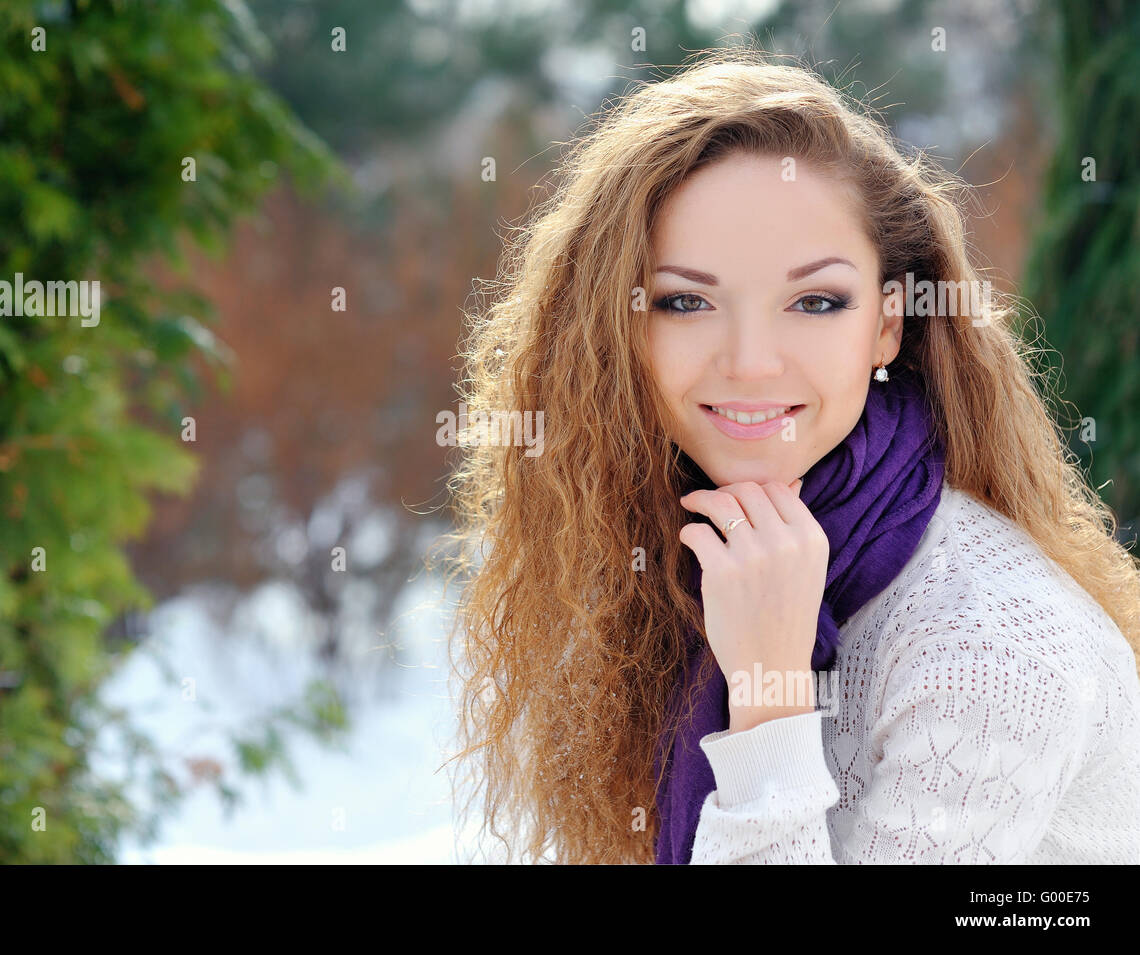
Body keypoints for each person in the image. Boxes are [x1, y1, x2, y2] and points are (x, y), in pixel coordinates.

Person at [438, 48, 1140, 864]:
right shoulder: (679, 560)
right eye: (685, 301)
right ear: (616, 332)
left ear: (887, 323)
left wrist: (768, 696)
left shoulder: (985, 649)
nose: (751, 361)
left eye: (814, 301)